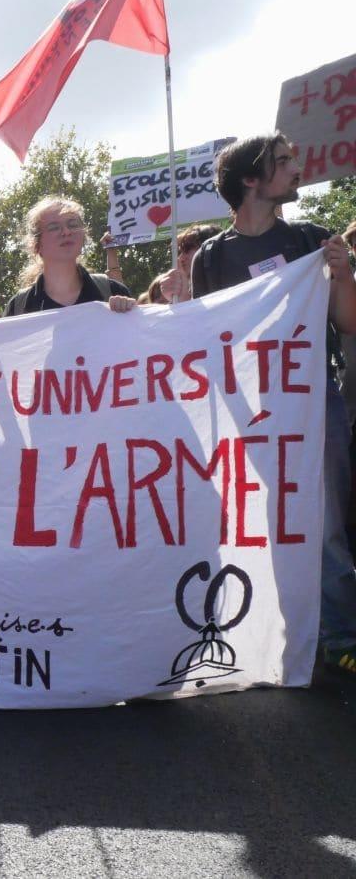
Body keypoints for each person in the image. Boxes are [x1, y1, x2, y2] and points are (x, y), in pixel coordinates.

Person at [160, 133, 356, 677]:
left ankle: (340, 636)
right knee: (262, 523)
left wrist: (341, 272)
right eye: (285, 161)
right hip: (246, 414)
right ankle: (272, 630)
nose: (298, 168)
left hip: (314, 406)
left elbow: (347, 322)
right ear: (251, 179)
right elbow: (205, 339)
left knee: (327, 526)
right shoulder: (214, 257)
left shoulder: (312, 241)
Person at [4, 197, 135, 316]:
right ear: (36, 245)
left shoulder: (113, 291)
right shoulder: (18, 307)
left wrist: (129, 315)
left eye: (72, 225)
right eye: (54, 227)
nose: (66, 232)